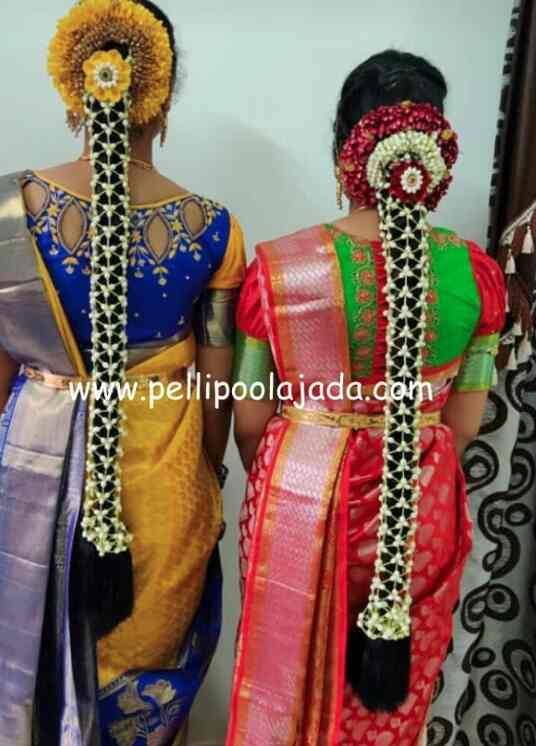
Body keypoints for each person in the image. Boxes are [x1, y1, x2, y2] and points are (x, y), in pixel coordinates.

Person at [229, 50, 506, 746]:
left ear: (342, 156)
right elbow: (465, 422)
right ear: (432, 155)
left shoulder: (277, 272)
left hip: (298, 500)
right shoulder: (477, 275)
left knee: (286, 691)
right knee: (389, 708)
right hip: (420, 514)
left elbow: (250, 419)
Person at [0, 1, 245, 743]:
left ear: (75, 89)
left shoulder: (10, 210)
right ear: (161, 101)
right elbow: (216, 386)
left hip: (34, 480)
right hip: (166, 486)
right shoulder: (214, 227)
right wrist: (209, 474)